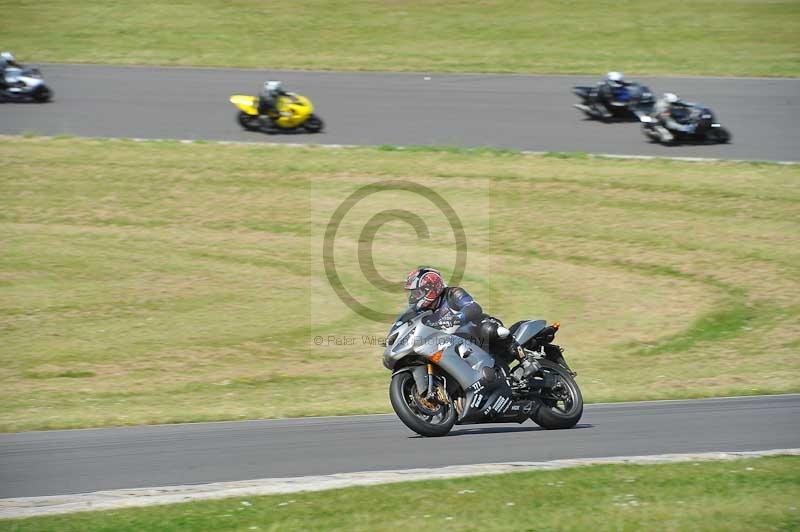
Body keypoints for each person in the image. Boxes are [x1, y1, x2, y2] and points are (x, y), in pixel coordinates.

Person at [403, 267, 540, 378]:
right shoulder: (423, 312)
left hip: (476, 330)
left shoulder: (453, 293)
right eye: (413, 293)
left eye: (417, 292)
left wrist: (458, 317)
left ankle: (526, 360)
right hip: (453, 344)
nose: (413, 297)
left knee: (491, 329)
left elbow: (474, 307)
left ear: (431, 289)